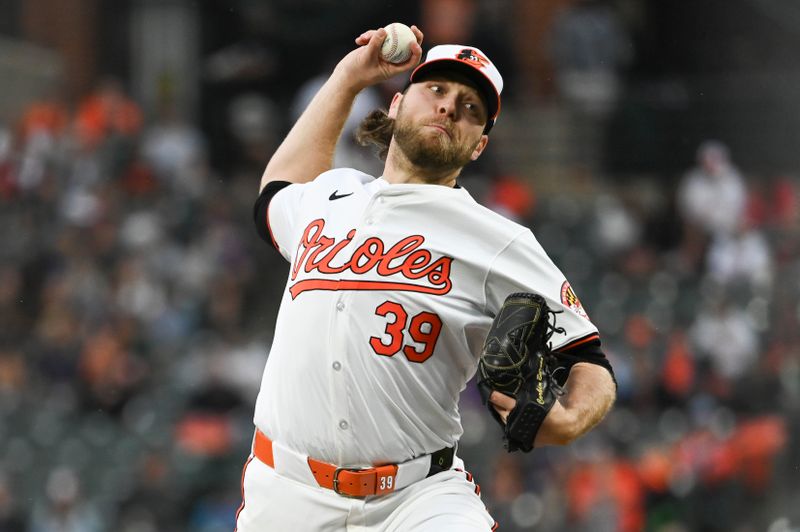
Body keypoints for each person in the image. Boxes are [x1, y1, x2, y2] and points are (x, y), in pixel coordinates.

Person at [239, 25, 616, 531]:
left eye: (470, 107)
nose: (448, 107)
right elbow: (275, 192)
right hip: (285, 495)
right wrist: (349, 77)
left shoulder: (496, 239)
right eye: (436, 90)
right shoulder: (330, 198)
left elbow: (589, 360)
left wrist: (570, 420)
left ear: (478, 146)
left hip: (416, 500)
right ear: (395, 105)